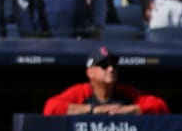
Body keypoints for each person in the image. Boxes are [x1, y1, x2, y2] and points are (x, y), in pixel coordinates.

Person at [42, 46, 170, 115]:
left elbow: (160, 106)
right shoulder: (82, 92)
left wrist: (128, 110)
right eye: (104, 65)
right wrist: (93, 110)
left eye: (113, 65)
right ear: (90, 72)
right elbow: (50, 108)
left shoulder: (125, 92)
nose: (110, 69)